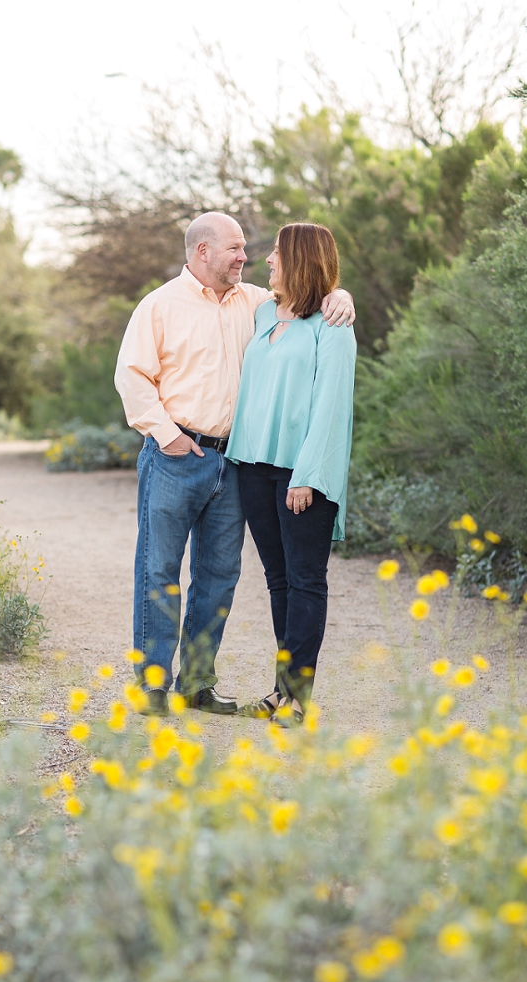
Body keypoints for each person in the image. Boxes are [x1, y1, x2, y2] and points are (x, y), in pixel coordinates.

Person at [115, 211, 354, 714]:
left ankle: (196, 683)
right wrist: (167, 436)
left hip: (234, 464)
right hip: (177, 456)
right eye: (235, 249)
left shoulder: (257, 303)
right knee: (158, 569)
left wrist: (341, 294)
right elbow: (132, 377)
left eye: (251, 249)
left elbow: (310, 301)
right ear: (203, 251)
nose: (248, 257)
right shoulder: (160, 306)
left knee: (219, 575)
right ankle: (153, 685)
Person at [225, 223, 356, 723]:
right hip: (253, 466)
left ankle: (299, 697)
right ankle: (280, 691)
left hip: (302, 473)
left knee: (305, 580)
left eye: (277, 254)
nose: (268, 263)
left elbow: (331, 407)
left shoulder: (333, 323)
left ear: (298, 259)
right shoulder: (262, 312)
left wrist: (307, 475)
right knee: (278, 580)